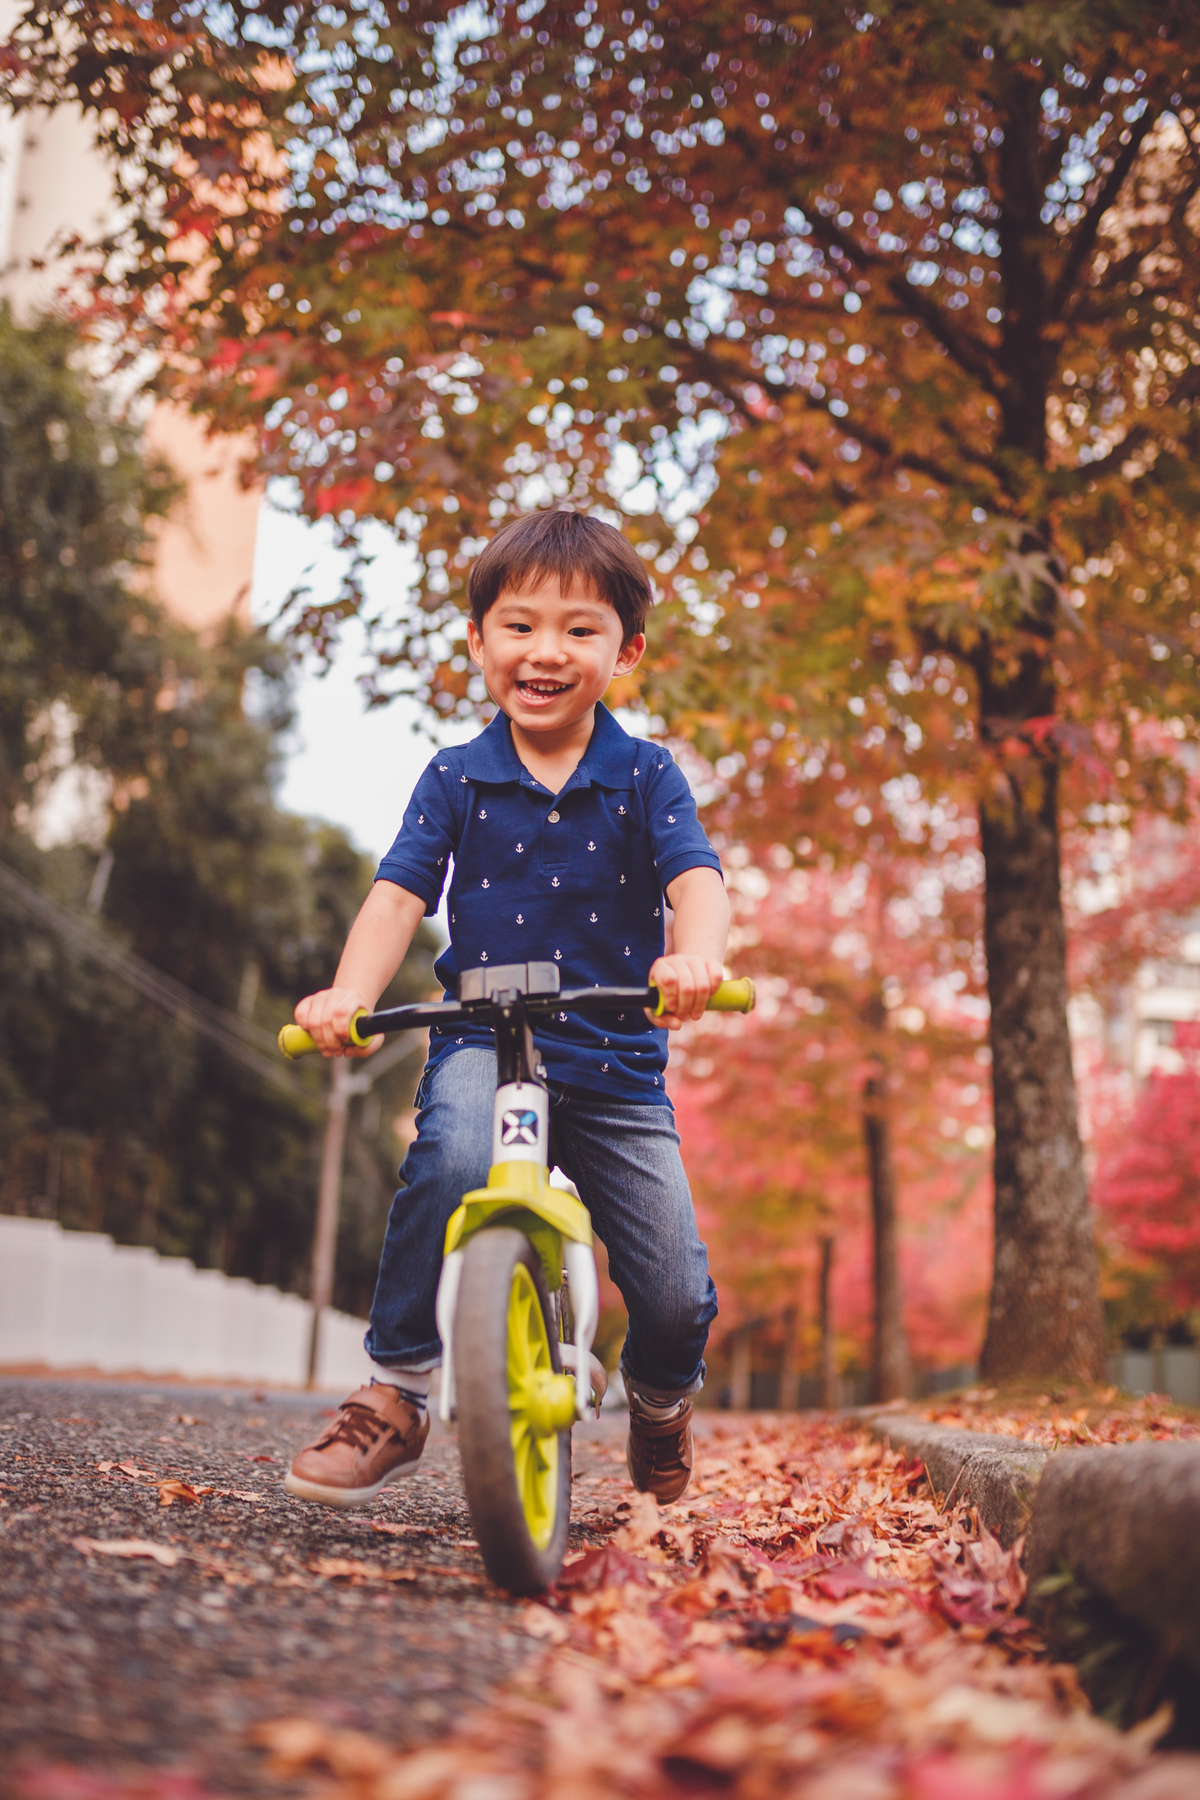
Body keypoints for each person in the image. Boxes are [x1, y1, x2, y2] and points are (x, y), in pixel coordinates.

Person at [284, 509, 729, 1510]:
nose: (546, 651)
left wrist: (696, 956)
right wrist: (352, 993)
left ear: (628, 651)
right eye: (520, 625)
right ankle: (396, 1390)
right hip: (486, 1043)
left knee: (672, 1291)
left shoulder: (647, 775)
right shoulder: (454, 777)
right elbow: (399, 894)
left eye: (581, 629)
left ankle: (660, 1404)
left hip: (613, 1062)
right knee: (448, 1158)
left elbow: (697, 878)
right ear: (479, 640)